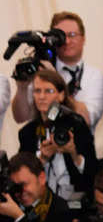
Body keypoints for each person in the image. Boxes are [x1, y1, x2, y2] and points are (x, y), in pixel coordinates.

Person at [11, 11, 103, 134]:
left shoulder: (94, 76)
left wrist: (55, 79)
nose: (66, 41)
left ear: (83, 39)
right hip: (40, 146)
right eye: (60, 36)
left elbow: (86, 119)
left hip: (77, 149)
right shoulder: (39, 72)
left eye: (72, 35)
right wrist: (22, 88)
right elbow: (20, 117)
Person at [18, 69, 98, 200]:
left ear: (61, 95)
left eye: (48, 91)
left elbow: (93, 172)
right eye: (37, 91)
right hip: (40, 204)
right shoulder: (27, 133)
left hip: (75, 201)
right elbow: (22, 179)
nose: (41, 96)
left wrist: (73, 154)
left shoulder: (76, 124)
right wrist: (42, 159)